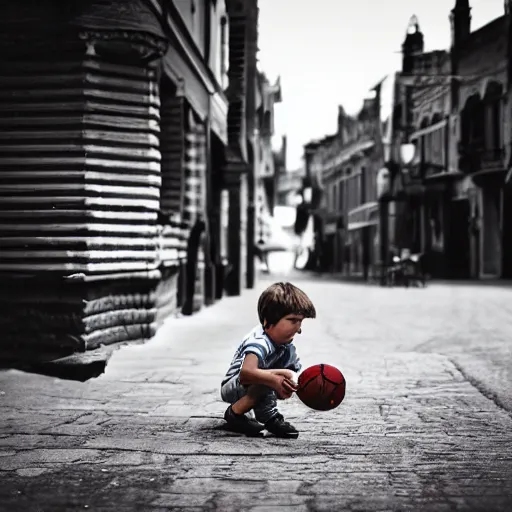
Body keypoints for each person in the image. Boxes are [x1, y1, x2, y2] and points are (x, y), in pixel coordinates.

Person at [220, 282, 316, 438]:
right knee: (270, 378)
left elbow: (295, 371)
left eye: (301, 322)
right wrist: (276, 380)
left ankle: (265, 416)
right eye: (293, 320)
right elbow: (246, 373)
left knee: (277, 377)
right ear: (267, 321)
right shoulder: (259, 341)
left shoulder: (286, 346)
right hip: (234, 384)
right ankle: (237, 414)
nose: (298, 328)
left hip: (252, 382)